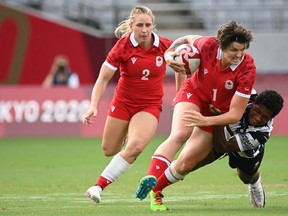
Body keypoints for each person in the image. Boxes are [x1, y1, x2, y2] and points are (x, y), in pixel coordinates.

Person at [135, 20, 256, 211]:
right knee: (179, 134)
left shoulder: (247, 69)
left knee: (185, 164)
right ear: (221, 46)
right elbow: (184, 39)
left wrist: (205, 120)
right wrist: (168, 54)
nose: (239, 54)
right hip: (194, 93)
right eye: (234, 49)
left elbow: (234, 114)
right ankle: (150, 177)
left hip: (215, 113)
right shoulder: (207, 44)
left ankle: (155, 190)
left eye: (242, 49)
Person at [83, 5, 173, 204]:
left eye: (148, 25)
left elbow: (183, 68)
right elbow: (102, 78)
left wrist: (181, 93)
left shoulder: (166, 46)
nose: (144, 29)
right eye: (139, 25)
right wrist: (93, 105)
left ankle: (97, 186)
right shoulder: (122, 47)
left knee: (134, 147)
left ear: (153, 26)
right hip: (123, 103)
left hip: (149, 106)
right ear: (132, 26)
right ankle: (127, 138)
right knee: (109, 150)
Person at [143, 89, 284, 210]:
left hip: (241, 151)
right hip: (220, 133)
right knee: (187, 164)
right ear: (254, 103)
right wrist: (183, 99)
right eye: (257, 111)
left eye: (265, 117)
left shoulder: (262, 134)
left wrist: (216, 120)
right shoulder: (246, 95)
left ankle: (255, 182)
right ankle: (155, 189)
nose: (258, 118)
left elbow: (223, 147)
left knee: (246, 177)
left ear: (272, 118)